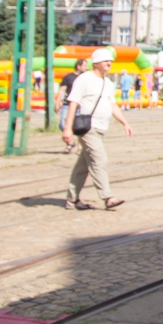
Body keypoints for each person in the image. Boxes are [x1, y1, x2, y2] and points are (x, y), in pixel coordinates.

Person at [61, 47, 133, 211]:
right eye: (105, 60)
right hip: (88, 128)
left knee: (83, 166)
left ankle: (72, 200)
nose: (109, 63)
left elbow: (112, 105)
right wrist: (67, 129)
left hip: (102, 128)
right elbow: (73, 103)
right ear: (96, 63)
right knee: (99, 160)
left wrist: (125, 123)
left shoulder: (107, 82)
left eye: (110, 61)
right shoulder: (84, 79)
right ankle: (107, 197)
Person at [56, 59, 87, 152]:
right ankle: (70, 142)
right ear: (78, 66)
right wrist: (58, 101)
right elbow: (62, 90)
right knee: (62, 124)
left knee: (79, 127)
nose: (86, 68)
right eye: (85, 65)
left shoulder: (86, 78)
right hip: (67, 104)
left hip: (80, 105)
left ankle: (79, 147)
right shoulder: (68, 77)